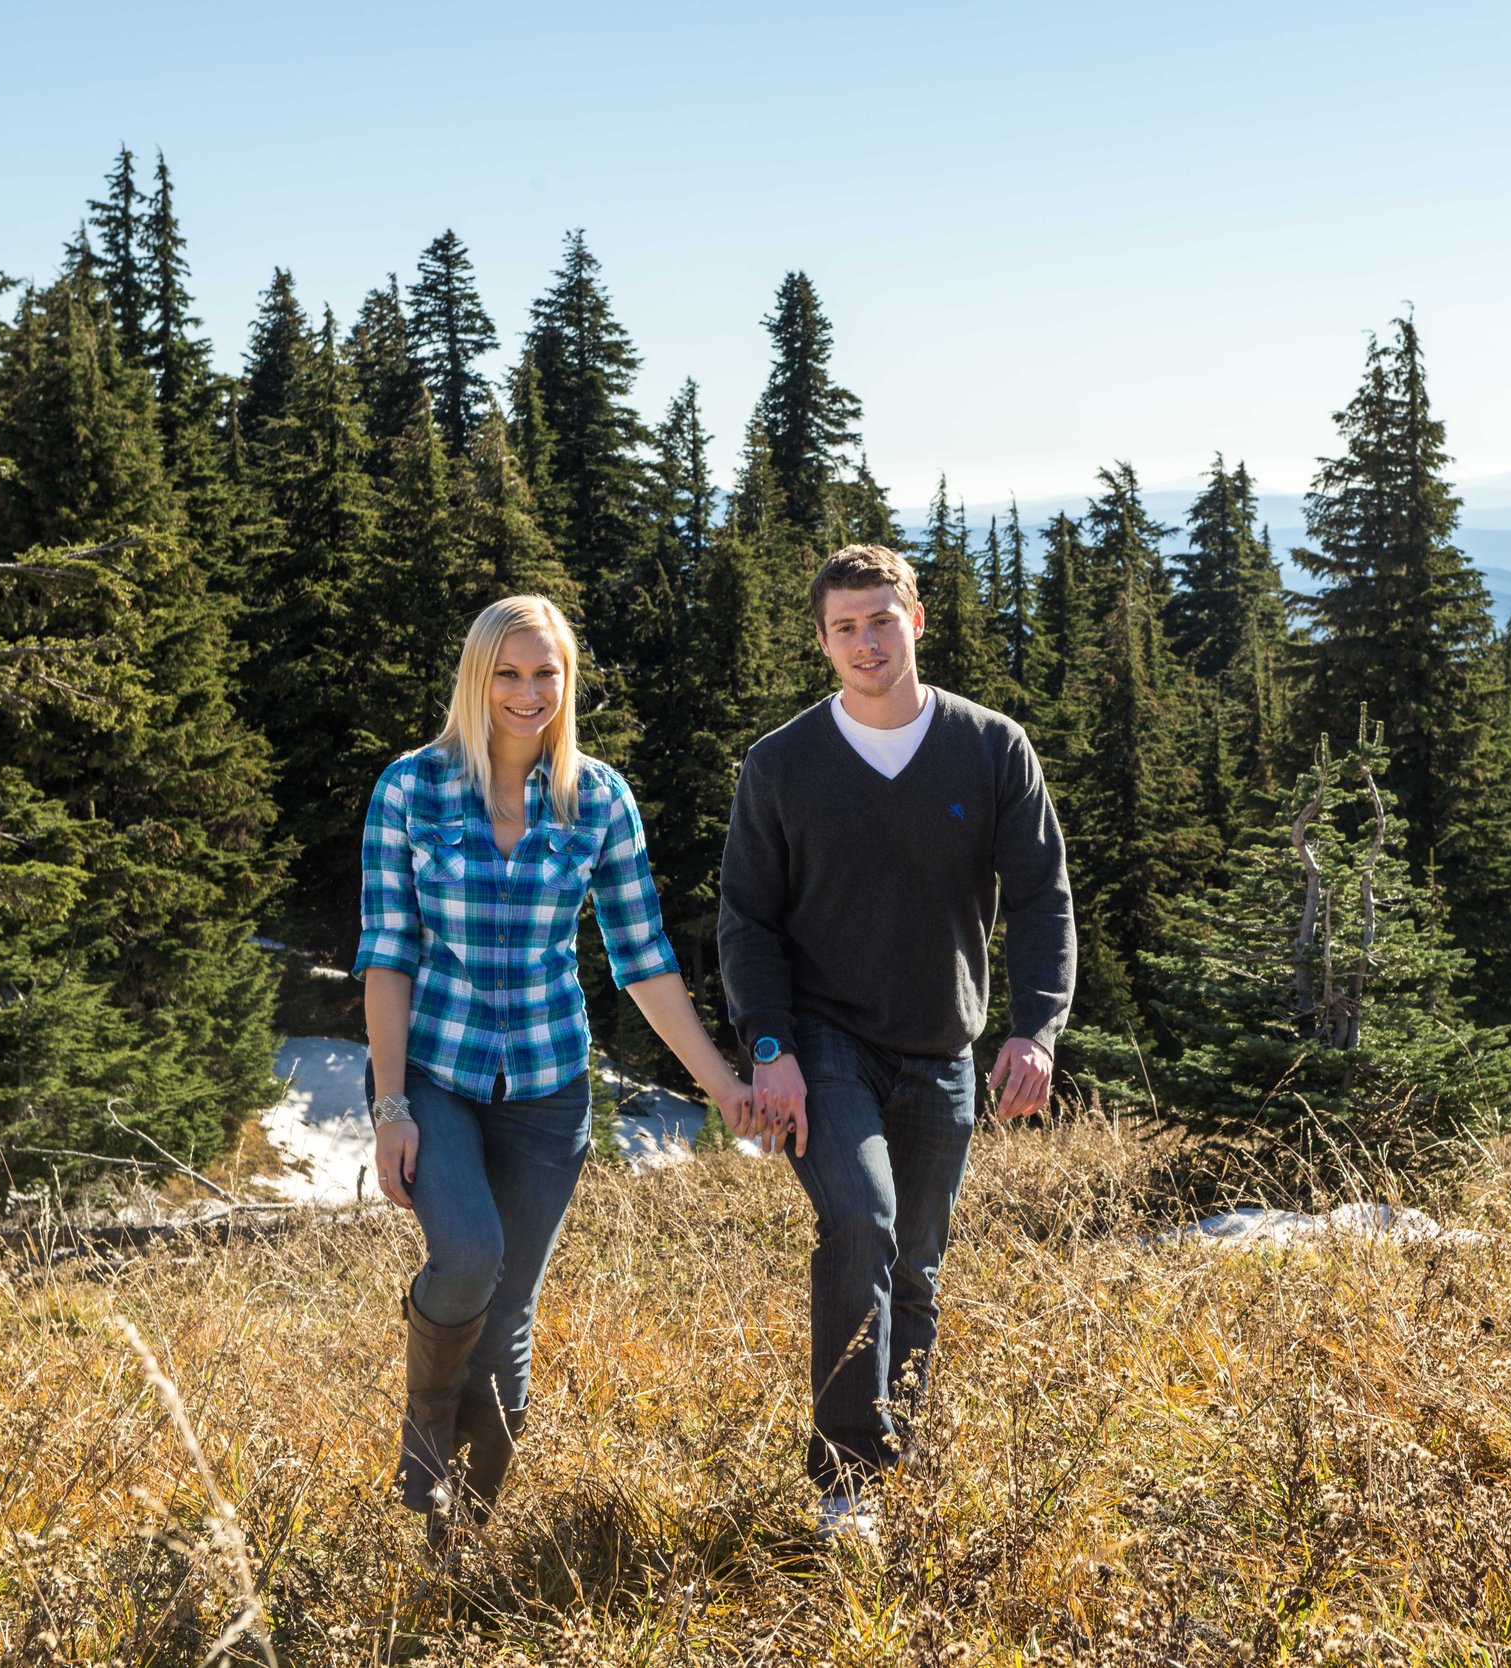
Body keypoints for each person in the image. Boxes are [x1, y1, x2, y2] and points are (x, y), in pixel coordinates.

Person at [355, 594, 749, 1545]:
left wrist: (720, 1084)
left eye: (546, 674)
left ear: (567, 682)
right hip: (438, 1076)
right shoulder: (410, 789)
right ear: (477, 677)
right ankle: (423, 1440)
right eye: (508, 673)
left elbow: (643, 959)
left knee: (508, 1322)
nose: (527, 693)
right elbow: (388, 955)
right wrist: (391, 1105)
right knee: (468, 1259)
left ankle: (464, 1542)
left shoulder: (598, 799)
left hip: (548, 1087)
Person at [718, 544, 1077, 1541]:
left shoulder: (991, 747)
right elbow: (746, 919)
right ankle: (845, 1483)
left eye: (881, 619)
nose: (865, 642)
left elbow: (1042, 898)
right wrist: (770, 1045)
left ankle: (894, 1469)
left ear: (915, 620)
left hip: (942, 1047)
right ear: (822, 641)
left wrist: (1035, 1028)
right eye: (845, 627)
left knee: (915, 1267)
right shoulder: (781, 763)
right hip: (823, 1042)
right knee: (862, 1224)